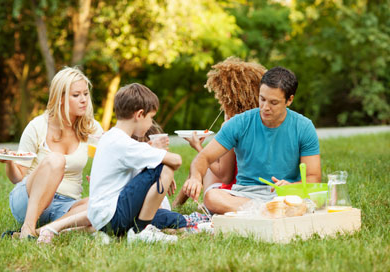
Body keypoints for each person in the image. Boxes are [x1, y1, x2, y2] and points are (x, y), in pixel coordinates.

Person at [183, 66, 321, 214]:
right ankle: (269, 211)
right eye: (262, 99)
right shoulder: (239, 123)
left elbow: (313, 177)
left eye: (273, 103)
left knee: (314, 199)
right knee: (212, 197)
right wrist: (196, 178)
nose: (265, 107)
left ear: (289, 100)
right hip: (245, 195)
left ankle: (264, 211)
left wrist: (292, 187)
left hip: (284, 194)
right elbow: (204, 157)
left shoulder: (304, 127)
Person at [0, 67, 103, 239]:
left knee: (101, 206)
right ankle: (28, 228)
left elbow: (109, 162)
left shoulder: (92, 128)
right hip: (28, 201)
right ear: (60, 98)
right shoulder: (37, 126)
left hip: (66, 206)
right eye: (76, 95)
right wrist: (9, 162)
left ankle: (43, 231)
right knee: (56, 160)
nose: (84, 100)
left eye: (85, 94)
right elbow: (18, 177)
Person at [87, 82, 189, 243]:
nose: (151, 124)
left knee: (176, 220)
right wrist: (159, 157)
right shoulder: (122, 143)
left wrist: (151, 152)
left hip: (104, 219)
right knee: (165, 165)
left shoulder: (111, 138)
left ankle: (132, 230)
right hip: (113, 216)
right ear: (139, 114)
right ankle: (141, 231)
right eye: (151, 118)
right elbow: (176, 161)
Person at [172, 57, 266, 211]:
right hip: (258, 190)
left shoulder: (232, 124)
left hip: (233, 191)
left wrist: (198, 146)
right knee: (203, 162)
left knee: (202, 161)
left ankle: (176, 206)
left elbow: (224, 175)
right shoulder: (261, 120)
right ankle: (176, 205)